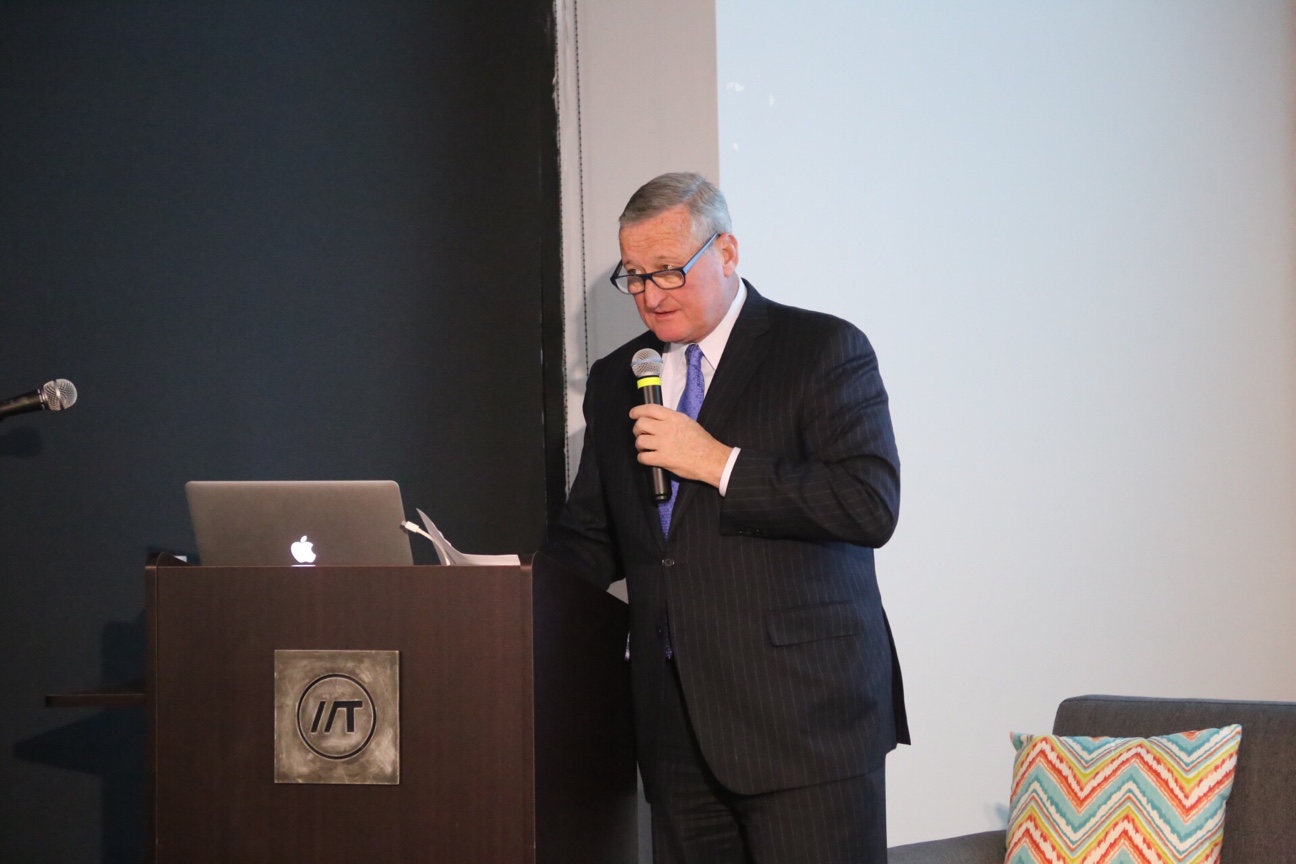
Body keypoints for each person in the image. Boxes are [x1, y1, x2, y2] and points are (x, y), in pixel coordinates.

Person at [540, 172, 907, 864]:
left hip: (805, 722)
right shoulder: (622, 376)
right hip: (675, 729)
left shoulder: (822, 349)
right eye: (636, 276)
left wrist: (718, 463)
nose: (651, 294)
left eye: (669, 271)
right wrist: (505, 590)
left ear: (728, 252)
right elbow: (592, 535)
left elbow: (869, 503)